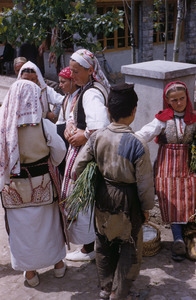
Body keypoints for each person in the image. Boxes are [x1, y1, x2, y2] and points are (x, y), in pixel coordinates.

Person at [72, 83, 155, 300]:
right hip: (128, 202)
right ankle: (119, 293)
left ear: (108, 110)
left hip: (102, 196)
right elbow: (145, 184)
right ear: (134, 111)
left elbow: (76, 169)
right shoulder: (138, 144)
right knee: (129, 247)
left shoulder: (97, 136)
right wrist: (146, 208)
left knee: (103, 242)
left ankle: (105, 288)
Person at [0, 80, 67, 287]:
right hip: (42, 184)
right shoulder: (43, 124)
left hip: (13, 188)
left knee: (22, 231)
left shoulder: (2, 126)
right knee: (49, 226)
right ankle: (58, 265)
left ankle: (30, 273)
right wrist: (47, 164)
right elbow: (59, 151)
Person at [135, 81, 196, 262]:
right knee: (172, 200)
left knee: (190, 199)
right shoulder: (162, 119)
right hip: (167, 165)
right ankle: (177, 240)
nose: (179, 103)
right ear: (168, 101)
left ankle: (190, 236)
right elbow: (143, 134)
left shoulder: (193, 118)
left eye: (182, 98)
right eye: (174, 100)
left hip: (188, 165)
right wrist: (126, 141)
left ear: (187, 97)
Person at [62, 48, 110, 261]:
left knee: (84, 199)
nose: (72, 75)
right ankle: (91, 246)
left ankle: (89, 248)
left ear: (90, 70)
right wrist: (71, 125)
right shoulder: (87, 88)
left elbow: (100, 125)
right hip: (87, 151)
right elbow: (75, 113)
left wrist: (84, 135)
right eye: (71, 70)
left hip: (87, 155)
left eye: (76, 71)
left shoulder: (91, 92)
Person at [56, 66, 80, 176]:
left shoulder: (80, 97)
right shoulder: (66, 98)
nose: (60, 85)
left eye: (63, 82)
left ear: (73, 82)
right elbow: (60, 121)